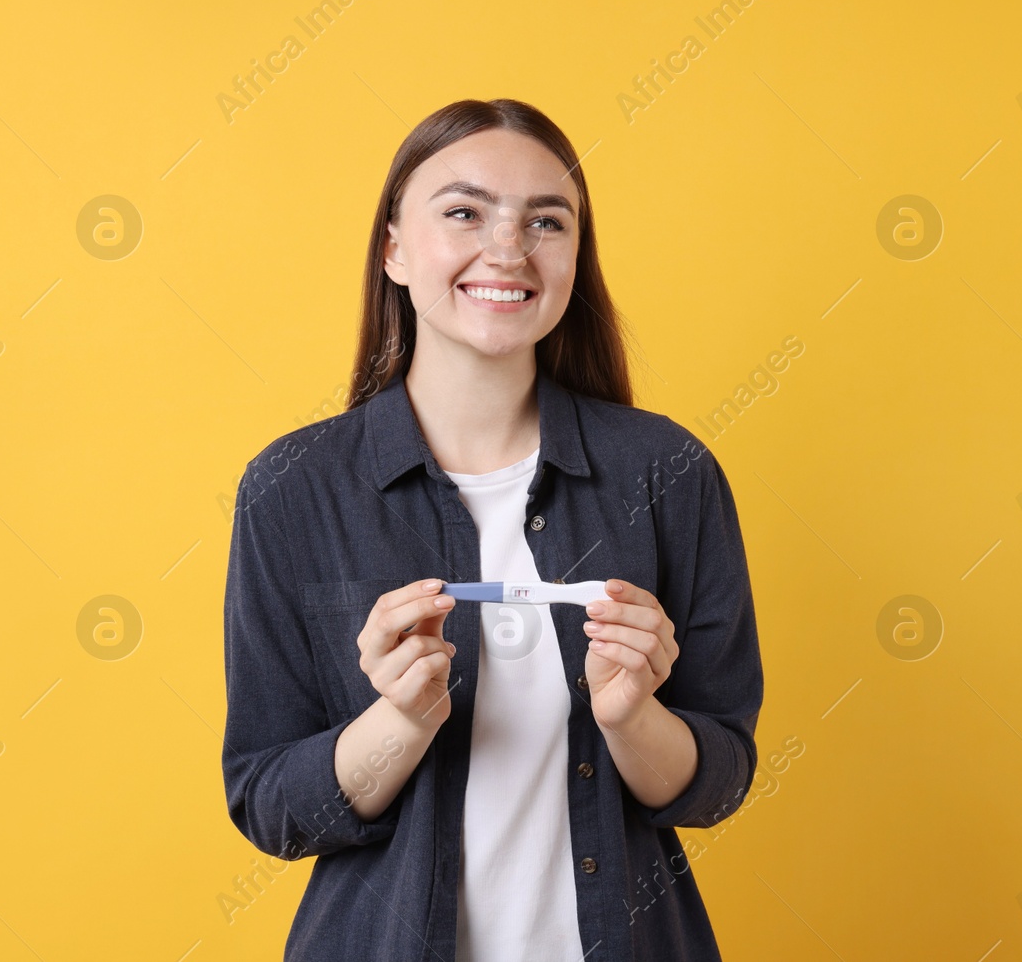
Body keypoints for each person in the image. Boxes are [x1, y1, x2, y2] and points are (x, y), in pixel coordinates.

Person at [220, 99, 764, 961]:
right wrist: (400, 719)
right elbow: (270, 807)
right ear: (394, 247)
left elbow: (718, 779)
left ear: (575, 257)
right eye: (465, 212)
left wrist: (631, 718)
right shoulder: (292, 490)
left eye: (546, 221)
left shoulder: (668, 472)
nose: (508, 249)